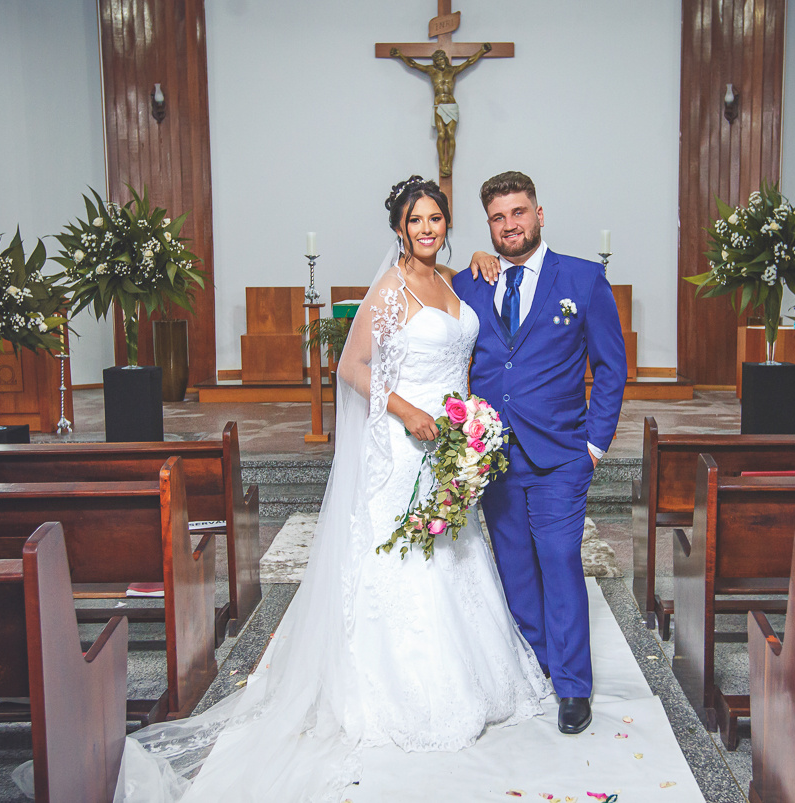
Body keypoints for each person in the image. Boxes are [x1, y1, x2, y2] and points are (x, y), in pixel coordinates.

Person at [103, 176, 551, 802]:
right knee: (404, 561)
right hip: (406, 443)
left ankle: (476, 676)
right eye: (415, 220)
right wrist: (407, 413)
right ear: (399, 229)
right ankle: (401, 689)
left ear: (448, 224)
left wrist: (480, 264)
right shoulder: (391, 289)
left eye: (435, 218)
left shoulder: (456, 280)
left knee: (455, 551)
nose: (426, 229)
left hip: (453, 441)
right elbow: (351, 366)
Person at [453, 171, 626, 735]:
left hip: (560, 455)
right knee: (516, 571)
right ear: (489, 225)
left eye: (519, 212)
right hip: (494, 457)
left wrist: (593, 445)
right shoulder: (470, 284)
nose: (511, 225)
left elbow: (611, 367)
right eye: (498, 217)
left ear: (539, 214)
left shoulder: (582, 278)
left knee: (559, 560)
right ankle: (543, 667)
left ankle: (573, 688)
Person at [389, 44, 492, 176]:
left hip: (451, 106)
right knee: (441, 135)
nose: (439, 62)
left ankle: (449, 164)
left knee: (450, 134)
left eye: (441, 59)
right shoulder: (431, 71)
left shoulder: (452, 71)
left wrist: (482, 51)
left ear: (445, 59)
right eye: (437, 61)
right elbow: (413, 64)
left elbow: (469, 62)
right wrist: (400, 56)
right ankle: (443, 164)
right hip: (439, 106)